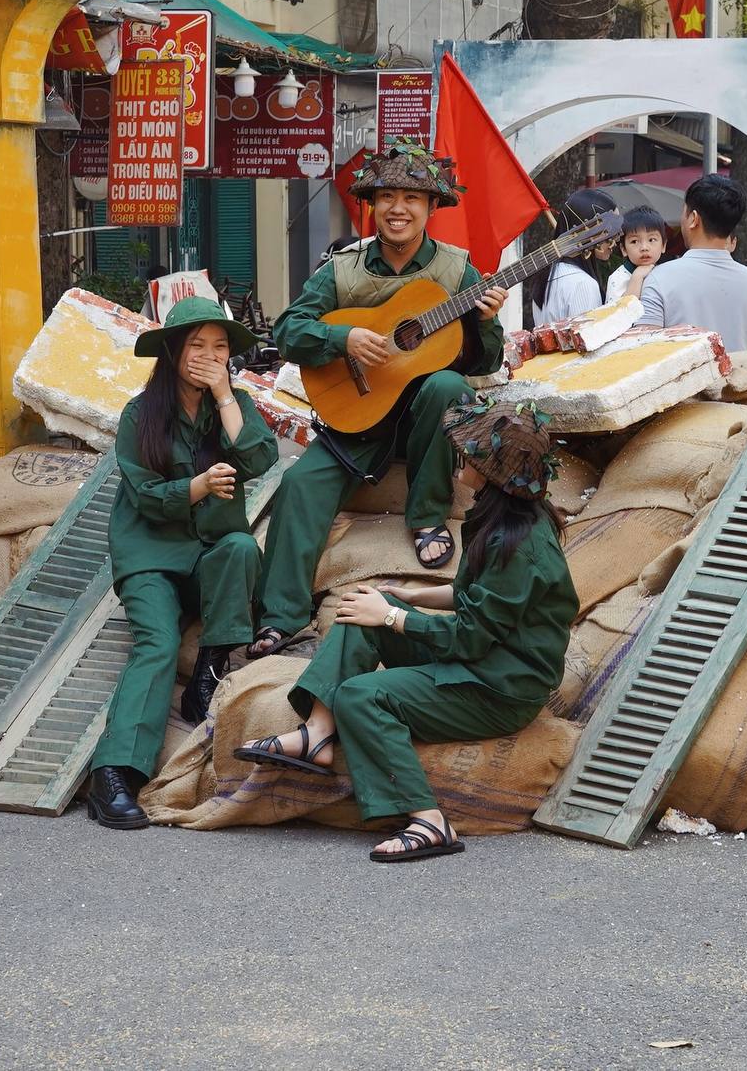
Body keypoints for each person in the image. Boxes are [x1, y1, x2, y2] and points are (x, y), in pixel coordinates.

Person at [234, 397, 577, 864]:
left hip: (498, 688)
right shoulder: (501, 519)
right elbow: (475, 598)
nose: (460, 463)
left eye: (471, 456)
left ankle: (429, 821)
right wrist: (405, 598)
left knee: (361, 695)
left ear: (492, 474)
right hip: (480, 661)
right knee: (363, 610)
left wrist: (392, 617)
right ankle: (316, 732)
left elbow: (471, 637)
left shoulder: (520, 547)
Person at [249, 140, 508, 660]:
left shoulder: (459, 273)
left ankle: (427, 515)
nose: (397, 208)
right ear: (372, 205)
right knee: (299, 483)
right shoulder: (342, 269)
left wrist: (484, 322)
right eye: (386, 195)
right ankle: (282, 618)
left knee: (447, 384)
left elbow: (482, 363)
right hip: (358, 421)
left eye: (411, 198)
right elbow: (289, 329)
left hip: (427, 428)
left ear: (432, 208)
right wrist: (341, 340)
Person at [86, 297, 278, 829]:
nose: (209, 356)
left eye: (220, 348)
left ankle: (210, 672)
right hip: (149, 555)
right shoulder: (138, 414)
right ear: (173, 352)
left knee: (241, 548)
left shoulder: (233, 402)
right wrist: (196, 487)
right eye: (197, 345)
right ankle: (114, 776)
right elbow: (146, 496)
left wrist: (223, 394)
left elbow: (260, 458)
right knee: (159, 643)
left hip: (209, 552)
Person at [638, 174, 747, 353]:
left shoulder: (659, 278)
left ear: (693, 219)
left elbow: (644, 350)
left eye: (684, 211)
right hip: (738, 380)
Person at [528, 188, 619, 324]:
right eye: (612, 228)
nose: (616, 240)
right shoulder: (583, 284)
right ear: (590, 230)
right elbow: (586, 342)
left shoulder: (546, 275)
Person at [605, 205, 668, 304]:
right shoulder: (618, 278)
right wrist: (637, 277)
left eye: (651, 240)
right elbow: (618, 315)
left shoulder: (666, 273)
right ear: (624, 249)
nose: (644, 248)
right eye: (634, 241)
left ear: (663, 245)